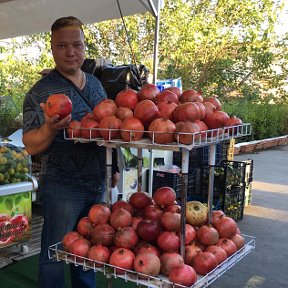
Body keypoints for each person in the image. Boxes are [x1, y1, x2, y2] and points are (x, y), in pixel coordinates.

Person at [22, 16, 119, 288]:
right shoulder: (41, 92)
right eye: (62, 46)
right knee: (55, 254)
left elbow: (110, 130)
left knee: (88, 252)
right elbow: (30, 144)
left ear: (85, 47)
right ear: (52, 49)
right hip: (62, 187)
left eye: (77, 44)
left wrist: (116, 169)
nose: (70, 52)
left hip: (97, 182)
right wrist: (51, 128)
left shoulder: (96, 85)